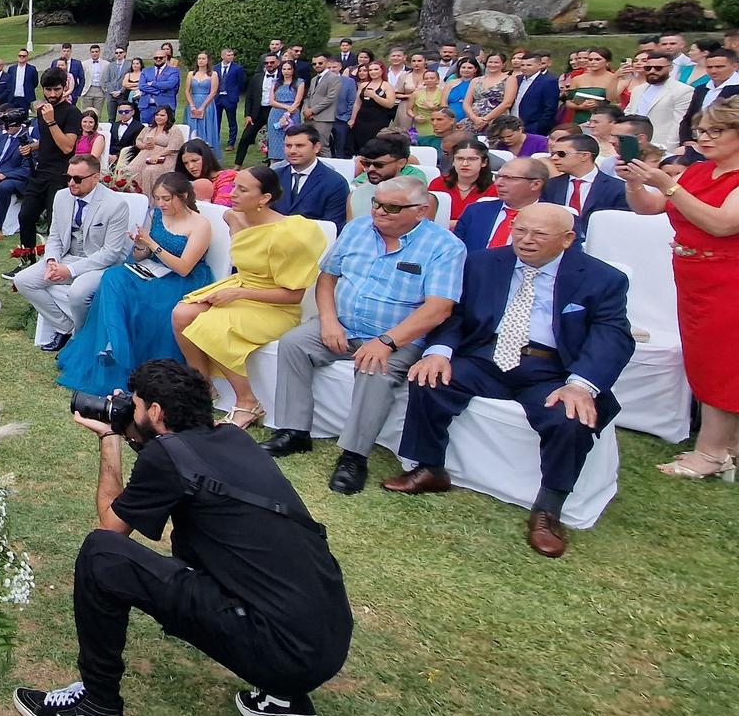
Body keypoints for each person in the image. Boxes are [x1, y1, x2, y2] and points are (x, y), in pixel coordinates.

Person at [13, 360, 352, 716]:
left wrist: (110, 438)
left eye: (136, 404)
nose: (130, 408)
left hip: (281, 652)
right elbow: (183, 467)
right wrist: (137, 435)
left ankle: (97, 709)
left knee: (100, 554)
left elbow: (111, 528)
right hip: (327, 641)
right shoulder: (234, 438)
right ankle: (285, 697)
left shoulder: (167, 457)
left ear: (155, 412)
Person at [383, 205, 632, 557]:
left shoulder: (601, 278)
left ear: (568, 239)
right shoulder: (483, 262)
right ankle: (429, 468)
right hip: (487, 356)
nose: (526, 241)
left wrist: (581, 384)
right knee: (428, 379)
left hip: (552, 368)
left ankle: (549, 508)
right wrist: (439, 350)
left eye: (539, 235)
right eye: (520, 230)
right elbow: (457, 315)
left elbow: (612, 337)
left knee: (570, 416)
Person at [265, 177, 465, 494]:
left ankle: (354, 456)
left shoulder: (445, 247)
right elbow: (328, 278)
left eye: (392, 207)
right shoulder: (357, 229)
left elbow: (438, 309)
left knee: (375, 367)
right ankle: (295, 432)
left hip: (396, 336)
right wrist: (329, 321)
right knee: (293, 343)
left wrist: (387, 342)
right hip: (342, 324)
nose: (380, 211)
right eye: (376, 202)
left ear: (421, 210)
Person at [620, 97, 739, 482]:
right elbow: (649, 208)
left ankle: (711, 453)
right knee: (705, 359)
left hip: (729, 279)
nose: (704, 138)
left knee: (723, 364)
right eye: (701, 130)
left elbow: (723, 224)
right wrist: (636, 183)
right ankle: (726, 444)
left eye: (716, 131)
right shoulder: (700, 171)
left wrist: (670, 186)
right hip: (693, 276)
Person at [175, 166, 329, 428]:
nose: (232, 193)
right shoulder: (233, 217)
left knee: (210, 327)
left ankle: (248, 402)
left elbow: (293, 296)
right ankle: (202, 387)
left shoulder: (289, 235)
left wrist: (238, 293)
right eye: (234, 186)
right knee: (182, 313)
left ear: (265, 198)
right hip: (240, 286)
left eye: (242, 190)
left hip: (274, 305)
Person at [55, 173, 215, 395]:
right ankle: (112, 345)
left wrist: (152, 244)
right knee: (113, 278)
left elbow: (184, 267)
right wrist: (141, 245)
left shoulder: (200, 225)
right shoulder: (157, 215)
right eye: (157, 198)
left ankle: (124, 353)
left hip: (181, 280)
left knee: (150, 304)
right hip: (153, 269)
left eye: (167, 199)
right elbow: (141, 255)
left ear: (183, 196)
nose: (161, 204)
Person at [15, 155, 134, 351]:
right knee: (23, 280)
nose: (71, 183)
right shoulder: (62, 196)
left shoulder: (115, 205)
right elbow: (54, 235)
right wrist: (52, 260)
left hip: (101, 265)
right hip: (66, 257)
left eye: (77, 178)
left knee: (78, 292)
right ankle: (66, 329)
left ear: (95, 177)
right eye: (68, 177)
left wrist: (69, 270)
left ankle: (82, 337)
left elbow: (111, 253)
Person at [14, 67, 81, 262]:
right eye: (48, 90)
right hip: (40, 172)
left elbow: (67, 147)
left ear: (64, 87)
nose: (52, 94)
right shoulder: (44, 110)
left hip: (60, 175)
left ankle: (54, 262)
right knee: (25, 216)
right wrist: (33, 147)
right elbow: (49, 140)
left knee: (54, 222)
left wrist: (51, 122)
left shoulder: (72, 112)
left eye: (57, 90)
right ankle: (27, 260)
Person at [541, 133, 628, 237]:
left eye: (561, 154)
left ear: (584, 155)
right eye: (553, 154)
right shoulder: (550, 185)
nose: (554, 158)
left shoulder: (618, 188)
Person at [454, 155, 548, 251]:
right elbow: (456, 250)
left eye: (509, 178)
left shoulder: (551, 219)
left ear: (536, 184)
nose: (498, 183)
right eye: (498, 177)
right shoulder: (475, 211)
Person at [272, 125, 350, 231]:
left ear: (316, 147)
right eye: (288, 146)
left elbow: (333, 227)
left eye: (299, 146)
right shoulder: (274, 177)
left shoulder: (335, 183)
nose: (292, 151)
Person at [345, 132, 428, 221]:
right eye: (366, 164)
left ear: (401, 163)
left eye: (379, 165)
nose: (370, 169)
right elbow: (351, 232)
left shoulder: (419, 199)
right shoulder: (355, 195)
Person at [0, 109, 36, 233]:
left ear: (19, 124)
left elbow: (27, 170)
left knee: (4, 187)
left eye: (9, 124)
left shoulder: (27, 142)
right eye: (5, 124)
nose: (6, 127)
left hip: (15, 180)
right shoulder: (0, 138)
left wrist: (4, 175)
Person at [630, 50, 693, 148]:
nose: (652, 71)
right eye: (648, 68)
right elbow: (629, 113)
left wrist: (670, 149)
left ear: (670, 68)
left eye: (658, 68)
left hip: (661, 145)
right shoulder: (638, 90)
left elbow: (679, 123)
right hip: (633, 142)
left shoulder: (683, 91)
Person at [431, 140, 496, 227]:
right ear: (453, 161)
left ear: (484, 162)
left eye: (472, 159)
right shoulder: (438, 183)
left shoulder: (494, 189)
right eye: (459, 159)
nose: (465, 164)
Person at [127, 104, 186, 195]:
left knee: (150, 170)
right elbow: (138, 141)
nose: (159, 117)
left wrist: (159, 155)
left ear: (168, 116)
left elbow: (173, 147)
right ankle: (136, 195)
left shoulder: (174, 130)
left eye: (162, 115)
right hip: (145, 155)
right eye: (157, 115)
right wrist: (144, 146)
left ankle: (152, 198)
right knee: (132, 169)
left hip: (165, 157)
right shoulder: (149, 128)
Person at [345, 61, 400, 155]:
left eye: (376, 69)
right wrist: (352, 119)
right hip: (361, 120)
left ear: (382, 71)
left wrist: (375, 96)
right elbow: (357, 103)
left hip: (378, 120)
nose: (373, 72)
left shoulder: (387, 86)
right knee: (359, 144)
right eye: (370, 70)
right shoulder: (363, 85)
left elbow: (390, 104)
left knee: (374, 145)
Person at [232, 52, 275, 169]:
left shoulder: (282, 77)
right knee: (245, 137)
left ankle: (272, 164)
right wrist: (248, 115)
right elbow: (249, 96)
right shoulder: (257, 77)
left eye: (272, 62)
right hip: (258, 112)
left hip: (274, 111)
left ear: (278, 63)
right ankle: (237, 165)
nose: (269, 65)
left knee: (273, 138)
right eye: (267, 63)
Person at [562, 47, 617, 126]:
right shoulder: (577, 79)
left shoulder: (613, 78)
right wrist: (581, 107)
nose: (593, 62)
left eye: (597, 59)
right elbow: (568, 102)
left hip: (603, 121)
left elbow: (618, 103)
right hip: (580, 119)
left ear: (607, 62)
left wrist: (600, 105)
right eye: (590, 60)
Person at [465, 52, 518, 133]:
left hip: (497, 121)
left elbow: (507, 103)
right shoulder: (476, 80)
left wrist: (485, 120)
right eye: (490, 62)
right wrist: (474, 118)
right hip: (474, 120)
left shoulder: (509, 79)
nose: (493, 65)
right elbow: (466, 103)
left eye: (496, 62)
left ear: (503, 64)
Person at [301, 55, 343, 155]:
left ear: (327, 63)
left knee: (322, 146)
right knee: (309, 145)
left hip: (324, 118)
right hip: (309, 118)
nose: (317, 65)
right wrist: (306, 110)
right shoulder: (314, 79)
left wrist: (312, 110)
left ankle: (326, 169)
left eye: (320, 63)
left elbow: (330, 98)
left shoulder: (333, 78)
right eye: (314, 64)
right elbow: (308, 96)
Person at [265, 60, 303, 162]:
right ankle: (274, 164)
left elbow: (298, 101)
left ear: (293, 70)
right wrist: (286, 107)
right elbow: (271, 101)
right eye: (284, 69)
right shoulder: (276, 82)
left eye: (289, 69)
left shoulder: (299, 82)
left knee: (291, 137)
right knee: (275, 141)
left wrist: (289, 112)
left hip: (292, 114)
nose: (286, 71)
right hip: (276, 113)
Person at [180, 138, 237, 205]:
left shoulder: (227, 177)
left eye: (194, 160)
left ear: (206, 157)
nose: (190, 166)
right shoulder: (188, 181)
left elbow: (221, 207)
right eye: (186, 163)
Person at [185, 51, 222, 149]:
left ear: (207, 61)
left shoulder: (213, 74)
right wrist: (192, 105)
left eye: (203, 59)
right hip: (193, 102)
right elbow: (187, 91)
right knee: (192, 127)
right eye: (199, 59)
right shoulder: (191, 74)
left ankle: (207, 148)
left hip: (207, 103)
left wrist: (202, 107)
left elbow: (213, 92)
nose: (200, 61)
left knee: (206, 126)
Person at [139, 49, 181, 125]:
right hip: (147, 107)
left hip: (166, 106)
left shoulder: (173, 71)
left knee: (166, 131)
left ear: (165, 58)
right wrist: (158, 91)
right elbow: (141, 86)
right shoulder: (146, 71)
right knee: (146, 131)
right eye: (156, 58)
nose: (158, 59)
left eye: (161, 57)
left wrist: (153, 83)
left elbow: (170, 84)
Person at [215, 47, 246, 147]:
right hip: (217, 97)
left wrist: (235, 92)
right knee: (216, 120)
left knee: (232, 120)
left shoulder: (237, 68)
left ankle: (231, 142)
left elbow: (241, 82)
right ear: (222, 56)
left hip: (230, 98)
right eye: (228, 55)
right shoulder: (215, 68)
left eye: (232, 55)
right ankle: (216, 140)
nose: (231, 57)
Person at [444, 55, 481, 131]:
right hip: (450, 120)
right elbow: (443, 103)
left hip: (471, 119)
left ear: (476, 69)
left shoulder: (479, 83)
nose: (466, 70)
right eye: (463, 67)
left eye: (470, 68)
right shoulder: (450, 83)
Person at [406, 68, 446, 136]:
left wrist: (433, 107)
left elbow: (445, 109)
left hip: (438, 122)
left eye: (432, 78)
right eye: (426, 78)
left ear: (438, 80)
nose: (429, 80)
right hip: (421, 123)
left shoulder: (443, 93)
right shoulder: (416, 93)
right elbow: (409, 110)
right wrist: (415, 117)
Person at [5, 48, 41, 114]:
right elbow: (9, 82)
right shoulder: (11, 69)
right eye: (20, 56)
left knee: (24, 118)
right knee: (12, 117)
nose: (21, 57)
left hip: (25, 98)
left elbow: (35, 83)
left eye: (24, 56)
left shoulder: (32, 69)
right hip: (13, 98)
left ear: (27, 57)